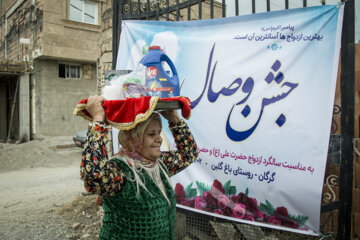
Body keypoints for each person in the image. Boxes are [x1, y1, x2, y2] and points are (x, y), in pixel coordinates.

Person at [81, 95, 198, 240]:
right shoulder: (121, 172)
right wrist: (98, 120)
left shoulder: (159, 165)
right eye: (151, 134)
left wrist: (173, 118)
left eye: (158, 132)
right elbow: (93, 176)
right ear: (133, 138)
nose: (159, 139)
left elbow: (188, 153)